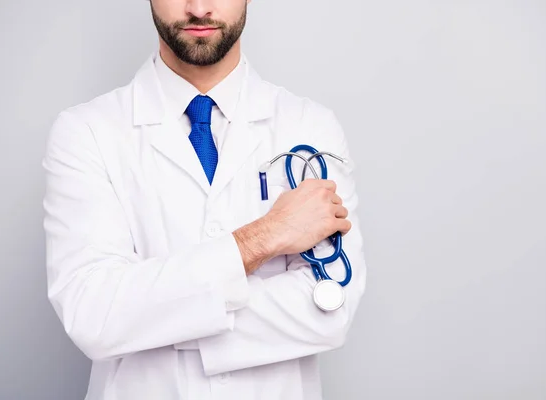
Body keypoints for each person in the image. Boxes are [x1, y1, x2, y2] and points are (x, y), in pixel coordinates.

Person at [42, 0, 367, 399]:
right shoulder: (86, 132)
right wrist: (265, 236)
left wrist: (156, 319)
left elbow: (329, 309)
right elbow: (93, 315)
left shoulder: (310, 125)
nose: (198, 8)